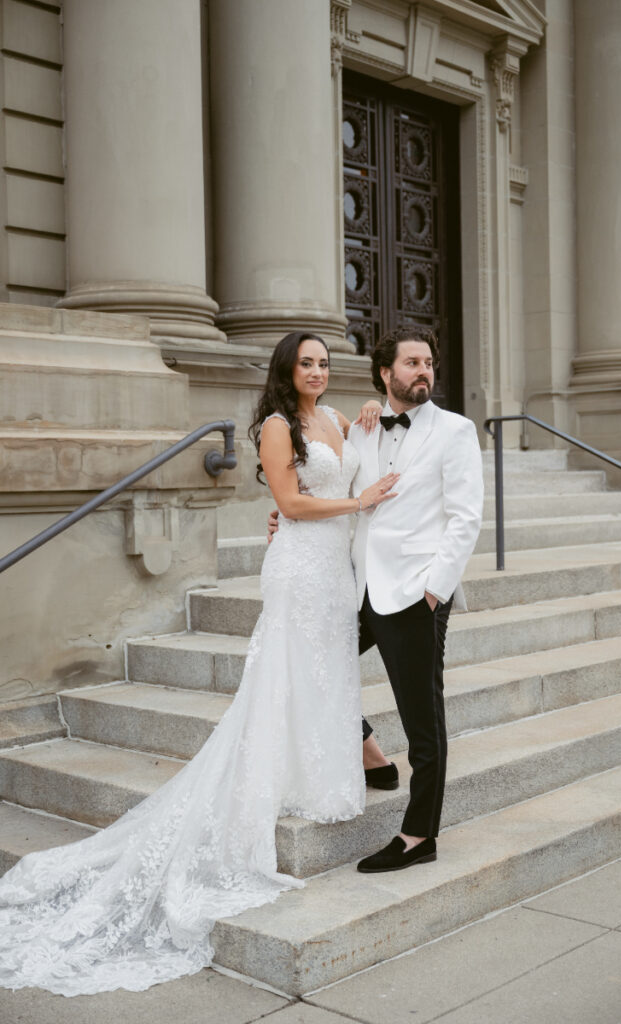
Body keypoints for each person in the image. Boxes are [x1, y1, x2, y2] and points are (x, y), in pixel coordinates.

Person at [0, 331, 398, 997]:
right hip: (300, 566)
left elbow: (361, 462)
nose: (318, 372)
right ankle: (283, 775)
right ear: (286, 369)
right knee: (287, 676)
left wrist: (367, 420)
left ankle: (327, 771)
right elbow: (291, 503)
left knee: (329, 675)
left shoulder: (334, 420)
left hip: (336, 569)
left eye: (325, 363)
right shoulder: (275, 426)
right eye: (307, 362)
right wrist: (356, 503)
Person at [270, 325, 483, 872]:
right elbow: (336, 493)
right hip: (357, 586)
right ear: (386, 374)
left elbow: (466, 518)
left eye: (428, 362)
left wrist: (434, 591)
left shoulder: (456, 431)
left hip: (415, 595)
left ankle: (418, 835)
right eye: (411, 363)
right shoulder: (360, 429)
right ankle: (370, 755)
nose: (423, 371)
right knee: (311, 663)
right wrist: (285, 514)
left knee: (422, 719)